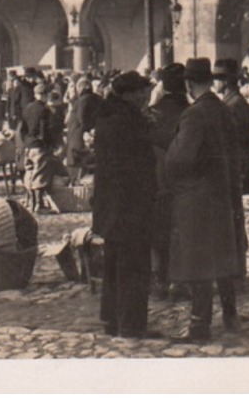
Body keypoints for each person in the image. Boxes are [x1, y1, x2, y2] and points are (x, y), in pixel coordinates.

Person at [163, 59, 245, 342]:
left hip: (197, 198)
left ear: (188, 84)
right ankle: (230, 315)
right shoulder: (223, 109)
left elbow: (180, 158)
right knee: (222, 258)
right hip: (222, 194)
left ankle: (199, 326)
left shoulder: (194, 115)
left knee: (198, 263)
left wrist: (168, 169)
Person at [93, 70, 160, 340]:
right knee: (133, 266)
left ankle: (111, 319)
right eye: (141, 91)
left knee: (113, 265)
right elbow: (135, 167)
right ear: (128, 94)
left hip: (111, 206)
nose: (145, 96)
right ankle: (131, 325)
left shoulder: (108, 117)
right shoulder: (128, 122)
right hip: (130, 205)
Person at [147, 62, 188, 299]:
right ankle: (182, 280)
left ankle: (161, 279)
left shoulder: (154, 113)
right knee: (183, 229)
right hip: (186, 182)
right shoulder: (191, 111)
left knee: (160, 231)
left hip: (160, 180)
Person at [214, 59, 249, 196]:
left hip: (235, 166)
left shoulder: (232, 105)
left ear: (225, 81)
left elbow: (233, 139)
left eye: (216, 79)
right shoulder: (233, 100)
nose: (214, 84)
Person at [63, 74, 100, 183]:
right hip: (89, 139)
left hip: (78, 139)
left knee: (76, 172)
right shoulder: (97, 99)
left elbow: (82, 119)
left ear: (80, 89)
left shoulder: (83, 101)